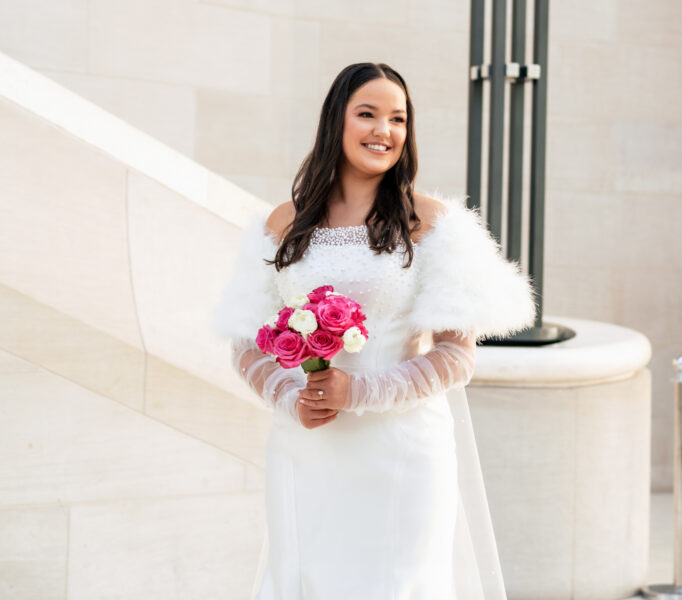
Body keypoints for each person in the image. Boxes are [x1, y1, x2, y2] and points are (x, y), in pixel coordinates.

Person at [212, 61, 537, 599]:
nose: (384, 131)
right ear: (336, 121)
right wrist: (294, 396)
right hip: (308, 451)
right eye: (367, 114)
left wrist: (358, 390)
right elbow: (246, 342)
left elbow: (458, 356)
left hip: (403, 456)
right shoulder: (283, 225)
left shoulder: (431, 223)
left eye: (398, 119)